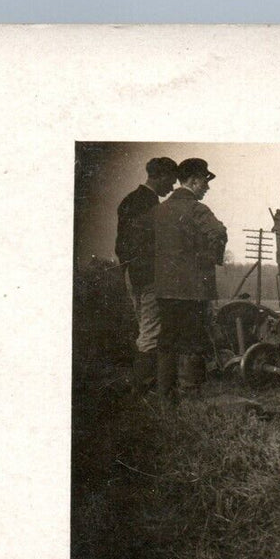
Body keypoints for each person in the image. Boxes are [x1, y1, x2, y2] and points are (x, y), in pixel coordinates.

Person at [151, 157, 227, 404]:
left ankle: (165, 397)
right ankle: (190, 397)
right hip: (193, 289)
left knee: (167, 340)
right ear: (194, 181)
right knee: (193, 340)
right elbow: (218, 232)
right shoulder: (197, 209)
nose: (207, 187)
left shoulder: (159, 210)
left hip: (164, 288)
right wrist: (206, 259)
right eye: (205, 181)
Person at [114, 156, 178, 393]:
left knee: (144, 330)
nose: (171, 187)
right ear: (159, 176)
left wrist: (128, 271)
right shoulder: (152, 205)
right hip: (150, 277)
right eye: (170, 181)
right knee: (151, 333)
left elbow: (121, 245)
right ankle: (142, 391)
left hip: (132, 274)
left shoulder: (128, 200)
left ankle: (142, 388)